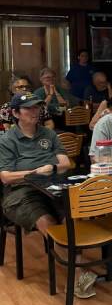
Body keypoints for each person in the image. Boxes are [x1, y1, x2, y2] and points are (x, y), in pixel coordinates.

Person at [0, 93, 80, 284]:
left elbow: (65, 163)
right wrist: (35, 171)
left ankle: (76, 264)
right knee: (47, 222)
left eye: (37, 107)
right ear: (16, 113)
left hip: (53, 186)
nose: (35, 112)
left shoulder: (49, 134)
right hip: (21, 192)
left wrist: (51, 168)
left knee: (73, 218)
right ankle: (76, 275)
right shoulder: (7, 139)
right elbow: (5, 177)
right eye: (29, 108)